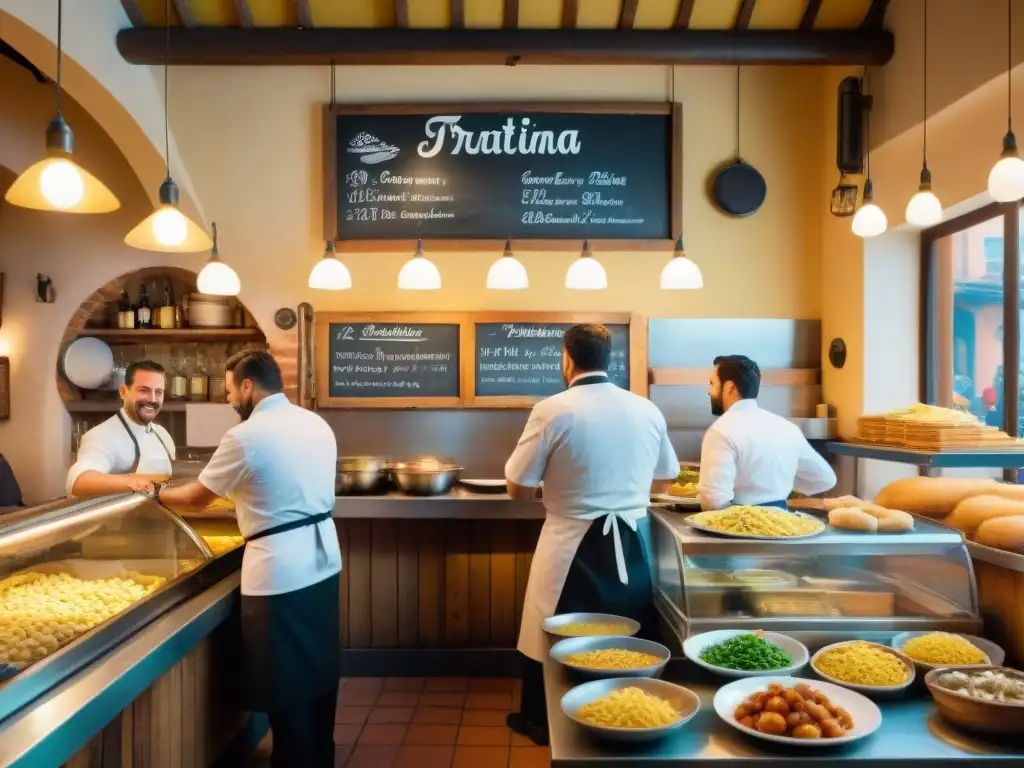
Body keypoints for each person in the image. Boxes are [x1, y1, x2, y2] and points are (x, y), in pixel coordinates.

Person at [157, 350, 341, 768]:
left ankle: (294, 761)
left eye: (228, 391)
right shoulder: (316, 423)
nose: (228, 400)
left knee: (285, 682)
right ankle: (320, 758)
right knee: (319, 672)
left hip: (279, 571)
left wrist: (151, 492)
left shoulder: (246, 436)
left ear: (246, 386)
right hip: (325, 558)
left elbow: (198, 498)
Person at [503, 324, 679, 746]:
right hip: (633, 541)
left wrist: (552, 492)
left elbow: (516, 485)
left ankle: (545, 722)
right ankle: (631, 712)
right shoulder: (646, 409)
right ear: (609, 358)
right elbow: (668, 477)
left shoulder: (552, 409)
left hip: (570, 540)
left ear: (567, 358)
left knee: (558, 629)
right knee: (629, 629)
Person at [697, 354, 836, 511]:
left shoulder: (721, 431)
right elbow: (825, 479)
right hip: (784, 525)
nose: (709, 391)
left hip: (738, 528)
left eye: (712, 384)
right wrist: (780, 480)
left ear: (730, 388)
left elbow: (712, 501)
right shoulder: (787, 428)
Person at [66, 360, 174, 497]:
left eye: (159, 392)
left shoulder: (162, 433)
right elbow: (78, 481)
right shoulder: (103, 436)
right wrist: (133, 482)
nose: (152, 399)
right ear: (123, 392)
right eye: (143, 390)